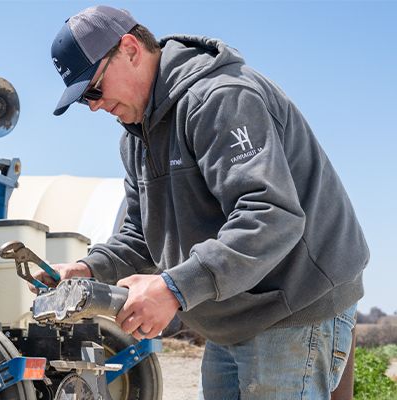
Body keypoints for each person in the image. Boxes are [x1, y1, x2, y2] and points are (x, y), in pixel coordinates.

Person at [38, 5, 369, 399]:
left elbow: (271, 216)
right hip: (231, 316)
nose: (93, 105)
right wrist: (88, 269)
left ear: (129, 49)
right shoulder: (136, 139)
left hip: (293, 307)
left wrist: (172, 290)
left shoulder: (220, 99)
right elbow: (141, 235)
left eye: (93, 89)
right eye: (82, 100)